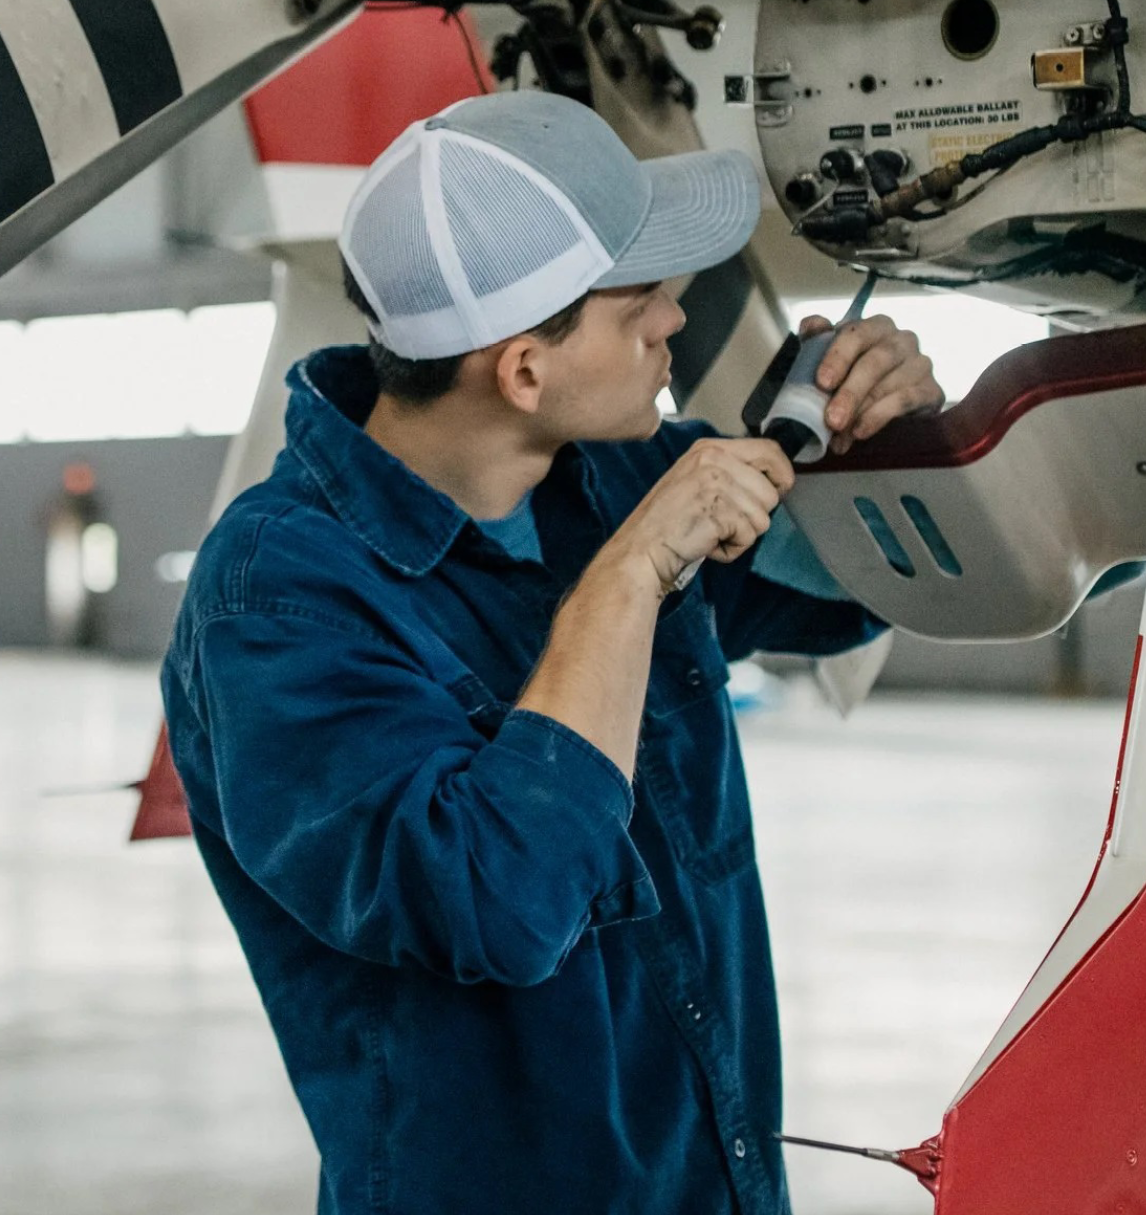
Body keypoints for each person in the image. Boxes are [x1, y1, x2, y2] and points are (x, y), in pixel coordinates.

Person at [160, 92, 943, 1214]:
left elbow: (852, 593)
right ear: (522, 370)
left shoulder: (608, 474)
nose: (675, 322)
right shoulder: (279, 605)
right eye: (642, 300)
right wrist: (627, 580)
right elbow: (499, 899)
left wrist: (891, 438)